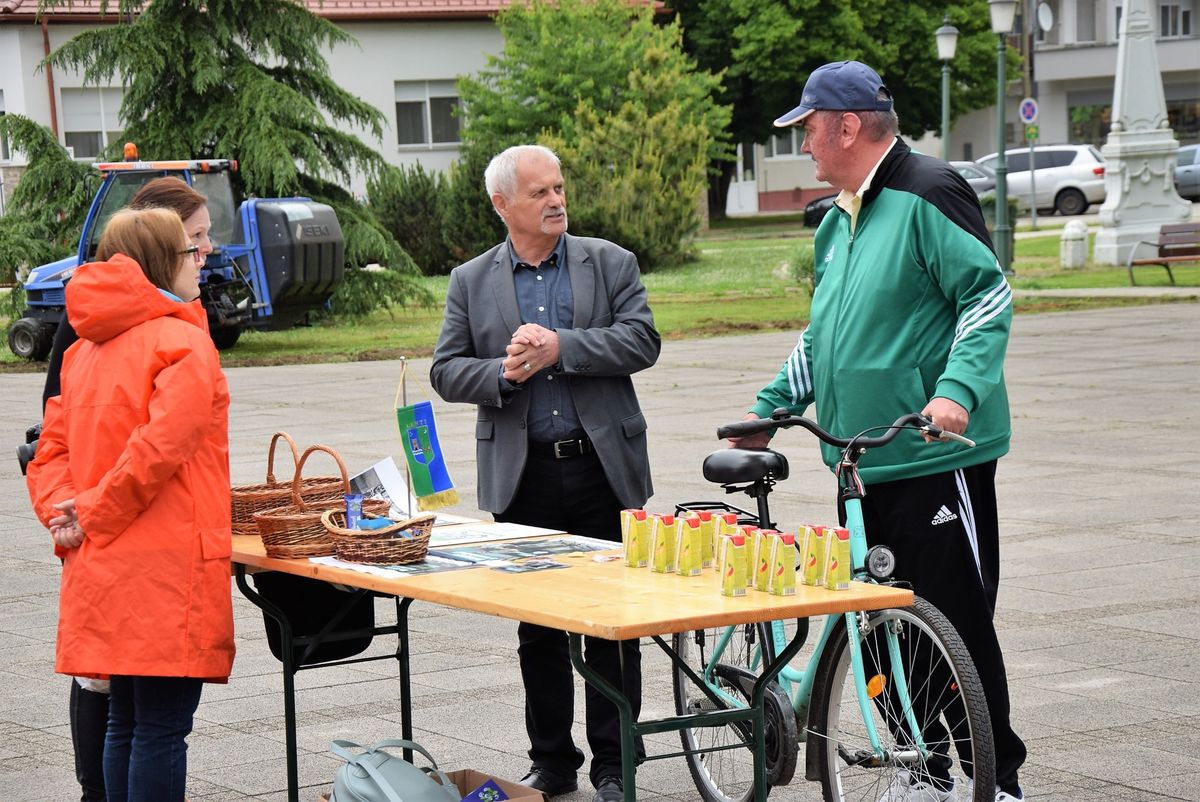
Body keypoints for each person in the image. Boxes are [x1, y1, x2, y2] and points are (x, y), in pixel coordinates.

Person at [730, 62, 1027, 802]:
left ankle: (1002, 782)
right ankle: (924, 771)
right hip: (860, 465)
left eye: (808, 128)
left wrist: (956, 392)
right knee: (879, 631)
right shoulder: (838, 217)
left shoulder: (928, 191)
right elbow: (823, 334)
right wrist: (771, 408)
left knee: (954, 628)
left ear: (847, 126)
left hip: (931, 455)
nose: (805, 143)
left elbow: (987, 296)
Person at [431, 144, 660, 802]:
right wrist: (500, 373)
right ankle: (552, 763)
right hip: (523, 477)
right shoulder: (471, 280)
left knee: (614, 627)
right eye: (539, 192)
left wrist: (565, 347)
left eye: (558, 187)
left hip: (602, 471)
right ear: (503, 205)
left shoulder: (609, 262)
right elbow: (446, 370)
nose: (557, 200)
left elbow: (642, 339)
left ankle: (616, 764)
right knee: (539, 629)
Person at [27, 207, 235, 802]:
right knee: (161, 728)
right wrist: (85, 513)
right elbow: (156, 453)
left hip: (103, 560)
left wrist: (66, 514)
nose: (203, 258)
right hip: (163, 567)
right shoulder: (181, 343)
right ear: (159, 264)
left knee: (127, 720)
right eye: (189, 250)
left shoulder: (83, 351)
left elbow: (50, 452)